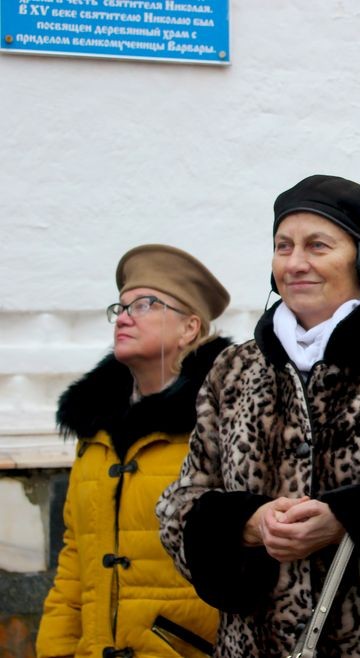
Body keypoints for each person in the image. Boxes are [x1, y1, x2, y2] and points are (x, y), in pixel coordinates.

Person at [156, 175, 360, 658]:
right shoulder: (234, 369)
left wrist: (348, 520)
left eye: (318, 246)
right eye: (283, 246)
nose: (295, 263)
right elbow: (179, 507)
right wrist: (248, 523)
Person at [36, 244, 230, 658]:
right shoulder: (96, 432)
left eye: (144, 305)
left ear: (189, 328)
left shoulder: (222, 422)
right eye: (121, 308)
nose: (124, 317)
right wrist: (55, 649)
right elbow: (75, 560)